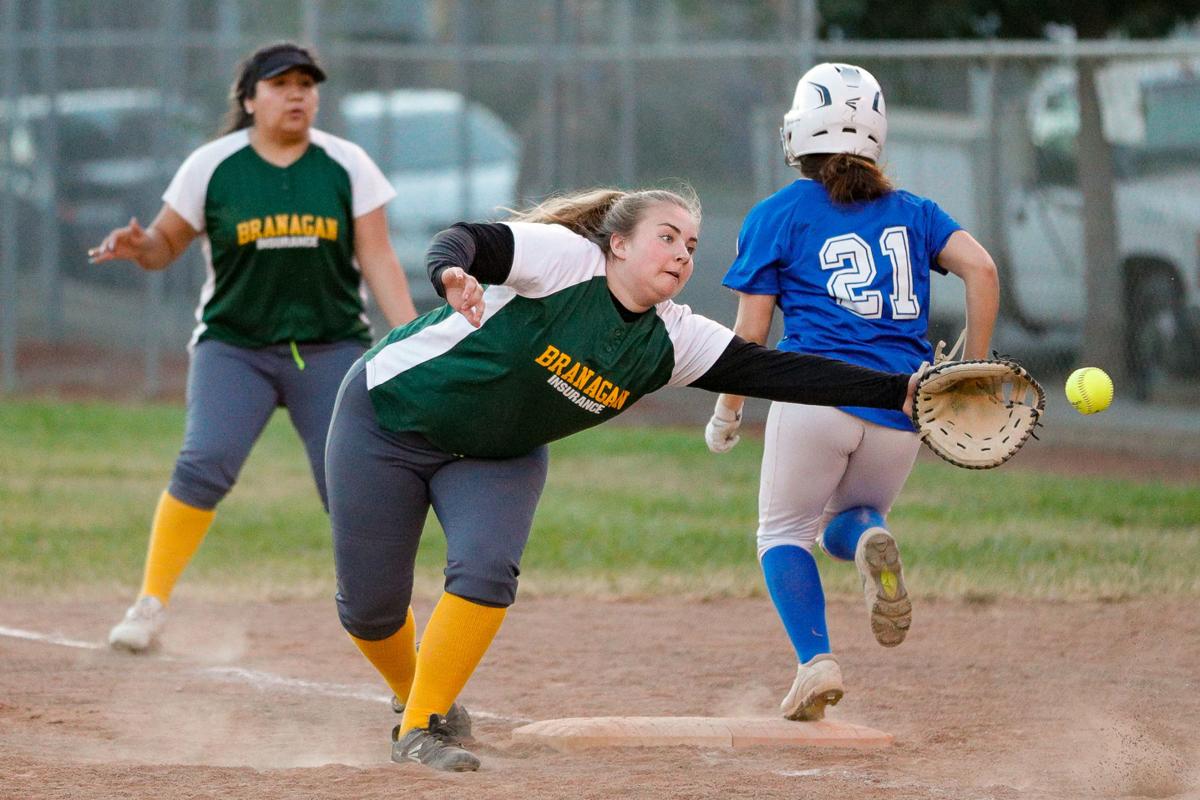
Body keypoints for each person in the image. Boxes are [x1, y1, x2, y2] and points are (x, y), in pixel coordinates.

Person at [325, 185, 923, 772]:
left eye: (690, 245)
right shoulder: (564, 259)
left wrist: (897, 392)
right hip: (388, 416)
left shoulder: (674, 337)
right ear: (617, 244)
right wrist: (451, 274)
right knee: (371, 610)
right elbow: (465, 240)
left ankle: (420, 727)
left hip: (499, 454)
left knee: (485, 568)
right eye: (666, 238)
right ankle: (417, 693)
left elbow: (784, 374)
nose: (682, 255)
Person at [89, 42, 419, 652]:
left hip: (330, 347)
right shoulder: (213, 165)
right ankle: (150, 603)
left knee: (350, 481)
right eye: (280, 84)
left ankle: (380, 616)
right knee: (204, 461)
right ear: (249, 98)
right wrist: (142, 246)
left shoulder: (346, 164)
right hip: (235, 347)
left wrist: (410, 338)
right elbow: (165, 245)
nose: (297, 94)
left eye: (307, 84)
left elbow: (375, 254)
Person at [703, 62, 1000, 722]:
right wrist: (969, 373)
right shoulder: (915, 212)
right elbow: (980, 267)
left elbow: (750, 334)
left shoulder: (776, 213)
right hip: (902, 411)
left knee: (782, 531)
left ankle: (816, 664)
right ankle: (867, 538)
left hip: (815, 398)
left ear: (801, 132)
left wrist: (727, 411)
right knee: (846, 521)